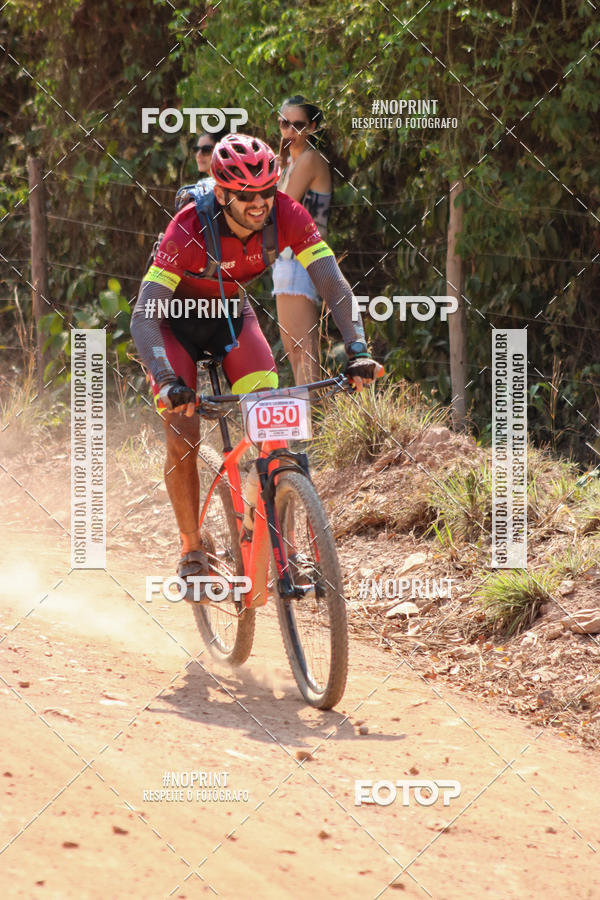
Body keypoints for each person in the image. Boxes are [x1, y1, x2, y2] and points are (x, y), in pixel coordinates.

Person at [130, 133, 381, 599]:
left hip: (230, 318)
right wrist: (167, 379)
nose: (260, 204)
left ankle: (276, 533)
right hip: (173, 325)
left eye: (267, 191)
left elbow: (333, 284)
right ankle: (191, 550)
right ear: (221, 193)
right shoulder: (188, 227)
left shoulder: (287, 213)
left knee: (273, 425)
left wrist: (358, 349)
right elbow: (143, 315)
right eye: (247, 196)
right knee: (182, 437)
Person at [273, 96, 332, 385]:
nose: (290, 131)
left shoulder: (311, 159)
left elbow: (279, 206)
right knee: (294, 351)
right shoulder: (286, 164)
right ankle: (306, 427)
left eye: (298, 125)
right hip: (286, 260)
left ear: (312, 127)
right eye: (285, 123)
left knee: (305, 352)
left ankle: (313, 427)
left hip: (304, 258)